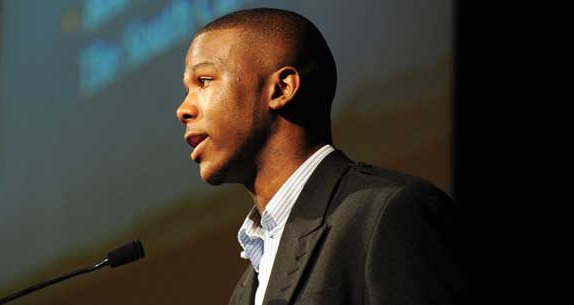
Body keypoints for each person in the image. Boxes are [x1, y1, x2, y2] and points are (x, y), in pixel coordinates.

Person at [175, 8, 467, 305]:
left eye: (204, 81)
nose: (183, 109)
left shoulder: (389, 214)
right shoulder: (246, 286)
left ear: (282, 88)